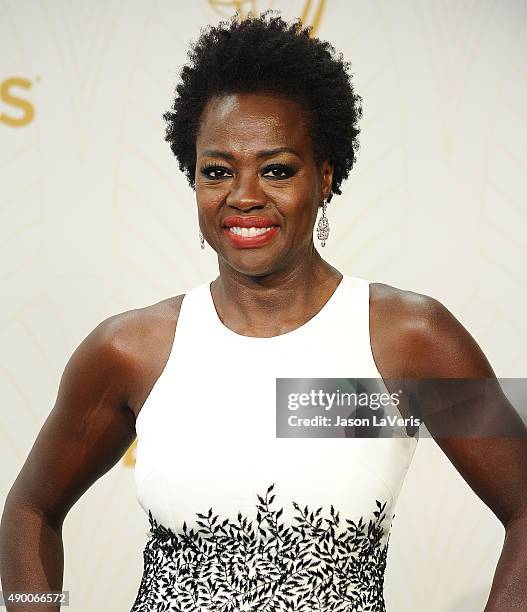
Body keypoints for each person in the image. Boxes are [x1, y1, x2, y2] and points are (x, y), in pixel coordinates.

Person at [1, 9, 526, 612]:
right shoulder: (129, 349)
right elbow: (30, 509)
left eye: (277, 170)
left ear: (325, 176)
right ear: (192, 179)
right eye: (217, 171)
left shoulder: (409, 336)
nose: (245, 196)